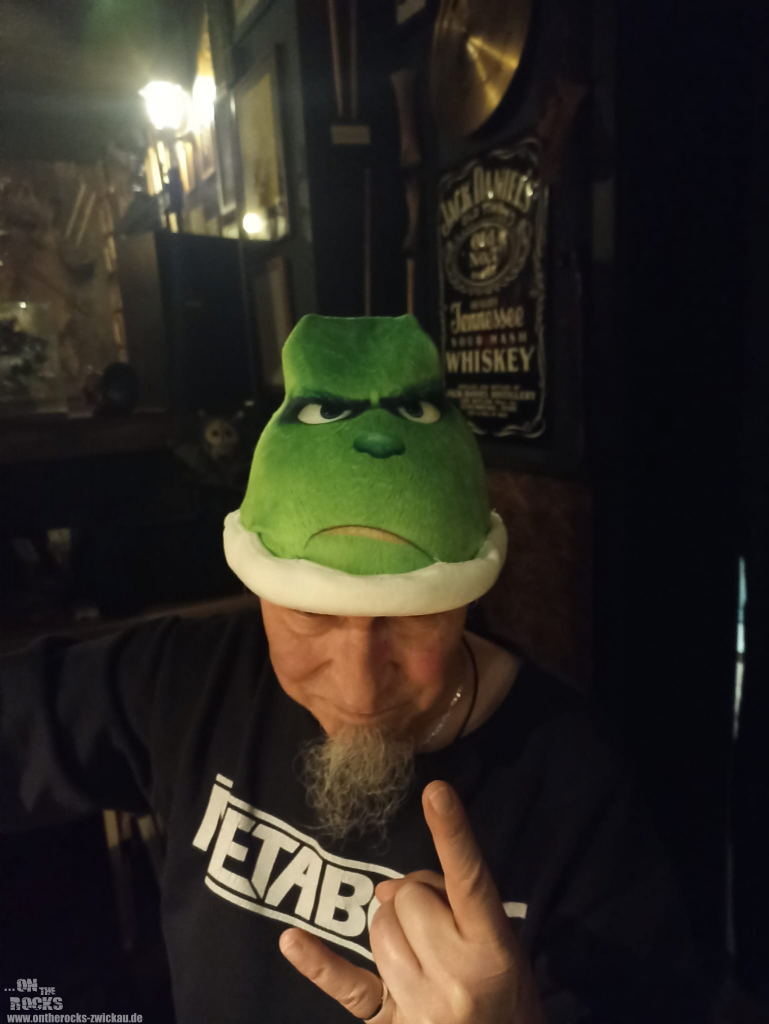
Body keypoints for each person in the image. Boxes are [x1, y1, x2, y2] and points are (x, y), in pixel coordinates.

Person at [1, 316, 707, 1023]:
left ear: (464, 600)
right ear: (260, 589)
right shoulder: (187, 680)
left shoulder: (574, 782)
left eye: (410, 616)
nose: (358, 685)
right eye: (312, 614)